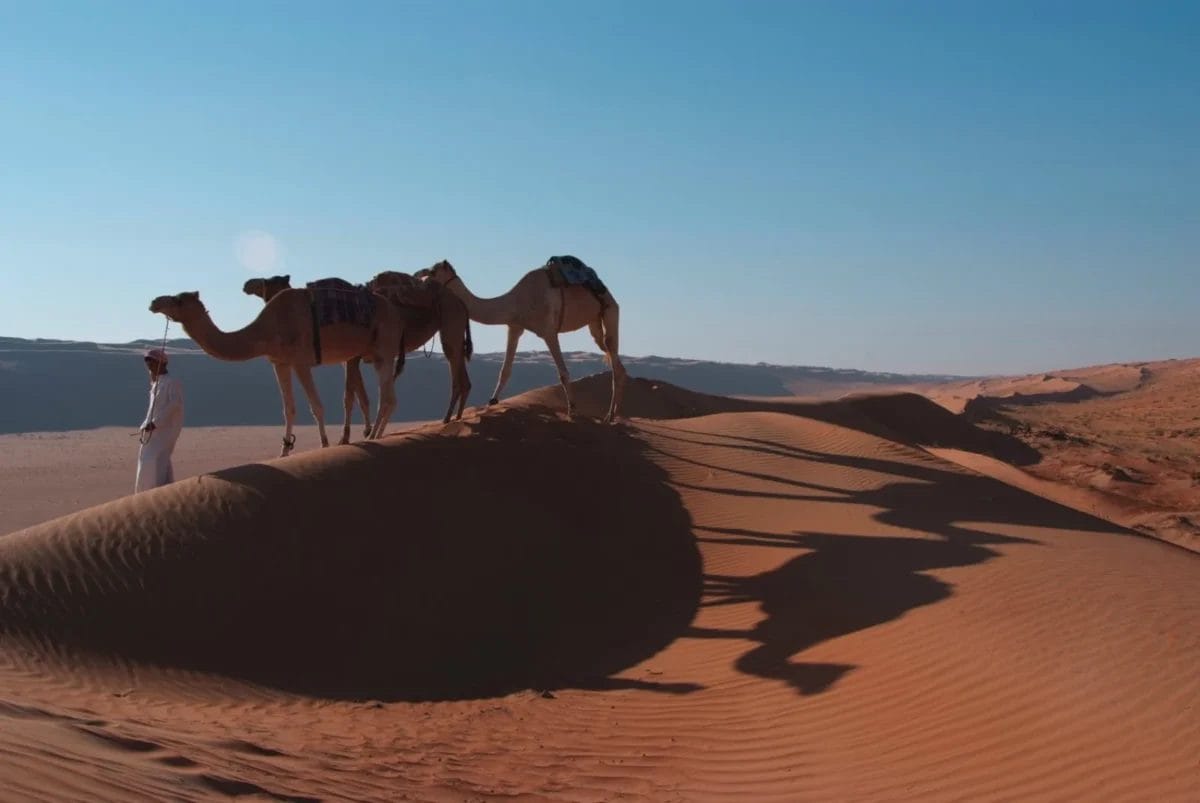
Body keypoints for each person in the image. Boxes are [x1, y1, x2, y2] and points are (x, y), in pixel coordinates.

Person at [134, 347, 185, 493]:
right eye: (148, 364)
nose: (149, 366)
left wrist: (155, 423)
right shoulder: (156, 383)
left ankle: (154, 494)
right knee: (153, 461)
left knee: (154, 460)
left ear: (162, 363)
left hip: (163, 431)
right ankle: (157, 493)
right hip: (152, 431)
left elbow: (174, 405)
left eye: (152, 363)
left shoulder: (172, 382)